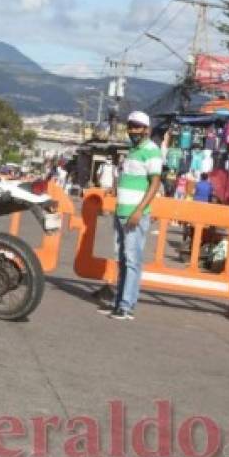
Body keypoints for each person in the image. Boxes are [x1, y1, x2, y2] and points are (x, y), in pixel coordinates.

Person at [99, 111, 162, 321]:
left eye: (137, 127)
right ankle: (119, 302)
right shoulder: (132, 151)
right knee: (122, 259)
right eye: (131, 126)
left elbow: (155, 183)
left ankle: (126, 307)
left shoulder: (151, 151)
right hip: (121, 212)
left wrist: (138, 210)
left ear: (146, 129)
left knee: (133, 260)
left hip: (135, 215)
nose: (133, 130)